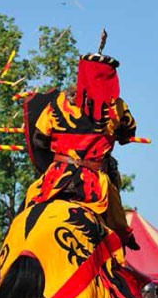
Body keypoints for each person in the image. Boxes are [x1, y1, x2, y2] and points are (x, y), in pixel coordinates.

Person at [23, 47, 139, 251]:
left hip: (56, 178)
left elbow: (39, 139)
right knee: (117, 222)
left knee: (27, 208)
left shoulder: (58, 103)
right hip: (93, 183)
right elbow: (127, 135)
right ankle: (123, 242)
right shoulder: (117, 107)